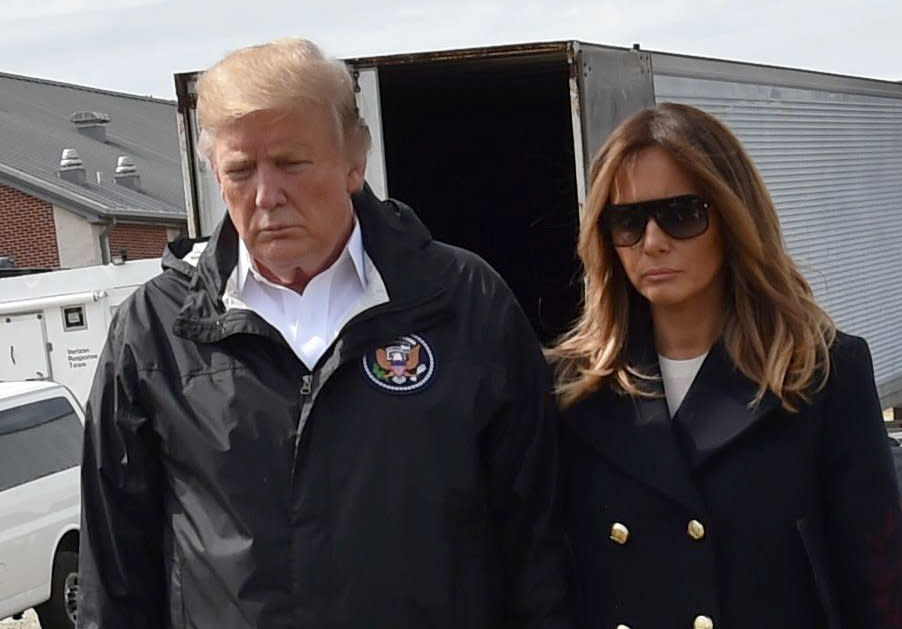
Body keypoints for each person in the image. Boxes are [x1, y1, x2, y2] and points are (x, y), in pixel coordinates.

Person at [77, 38, 571, 628]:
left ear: (353, 162)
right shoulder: (155, 333)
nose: (266, 195)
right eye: (240, 170)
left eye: (291, 163)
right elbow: (115, 577)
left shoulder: (462, 302)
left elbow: (538, 542)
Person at [547, 104, 902, 629]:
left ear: (733, 217)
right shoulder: (571, 389)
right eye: (628, 221)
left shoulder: (820, 373)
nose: (652, 242)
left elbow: (880, 589)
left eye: (681, 214)